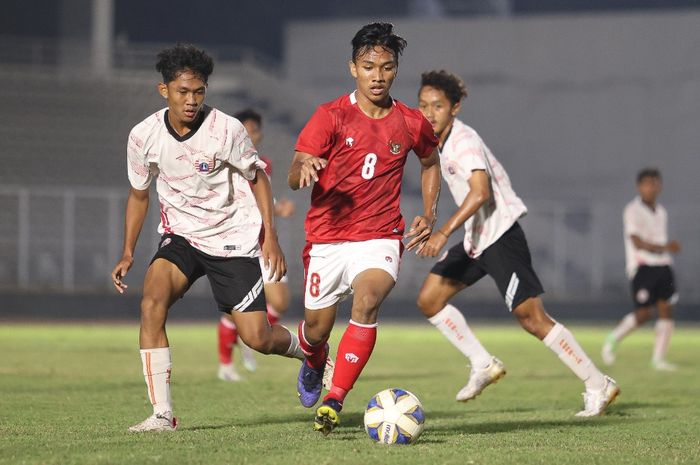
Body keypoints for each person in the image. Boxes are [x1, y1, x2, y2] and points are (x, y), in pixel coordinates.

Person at [110, 43, 305, 433]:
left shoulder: (227, 129)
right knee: (151, 303)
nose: (191, 100)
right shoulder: (142, 136)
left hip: (233, 238)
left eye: (199, 92)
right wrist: (128, 251)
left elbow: (259, 178)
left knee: (257, 338)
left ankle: (313, 354)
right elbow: (138, 194)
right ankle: (162, 414)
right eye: (183, 92)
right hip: (181, 236)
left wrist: (270, 238)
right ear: (163, 90)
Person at [414, 70, 619, 417]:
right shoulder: (438, 142)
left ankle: (598, 385)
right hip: (477, 239)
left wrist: (442, 231)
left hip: (500, 236)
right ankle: (482, 363)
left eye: (437, 106)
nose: (429, 113)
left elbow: (481, 193)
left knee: (532, 318)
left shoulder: (463, 141)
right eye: (422, 105)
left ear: (455, 108)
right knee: (430, 300)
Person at [287, 23, 441, 434]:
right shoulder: (330, 116)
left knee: (368, 300)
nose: (378, 75)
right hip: (327, 238)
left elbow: (430, 162)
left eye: (387, 67)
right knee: (316, 331)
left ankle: (334, 399)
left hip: (380, 235)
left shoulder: (410, 122)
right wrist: (306, 168)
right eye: (369, 66)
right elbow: (294, 169)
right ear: (353, 68)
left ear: (395, 71)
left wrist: (429, 211)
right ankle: (315, 361)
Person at [217, 108, 297, 381]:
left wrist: (277, 208)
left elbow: (261, 199)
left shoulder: (264, 165)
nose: (251, 135)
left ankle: (247, 336)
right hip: (239, 245)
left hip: (266, 243)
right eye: (246, 130)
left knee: (280, 301)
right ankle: (226, 365)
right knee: (236, 309)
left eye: (255, 130)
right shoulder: (226, 164)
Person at [602, 168, 681, 370]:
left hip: (663, 265)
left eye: (655, 183)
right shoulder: (632, 210)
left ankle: (658, 359)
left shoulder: (661, 211)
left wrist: (665, 251)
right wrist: (666, 247)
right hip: (642, 266)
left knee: (666, 310)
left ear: (660, 186)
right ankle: (613, 338)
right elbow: (637, 242)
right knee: (644, 313)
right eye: (647, 184)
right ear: (639, 187)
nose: (652, 188)